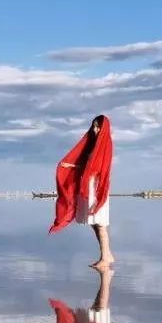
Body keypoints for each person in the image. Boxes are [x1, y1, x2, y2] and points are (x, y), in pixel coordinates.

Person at [48, 114, 115, 267]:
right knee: (94, 222)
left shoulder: (105, 145)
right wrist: (69, 166)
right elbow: (87, 165)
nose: (95, 129)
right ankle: (107, 254)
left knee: (100, 222)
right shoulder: (94, 145)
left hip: (97, 187)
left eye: (98, 126)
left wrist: (76, 168)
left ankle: (106, 257)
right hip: (90, 185)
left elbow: (97, 168)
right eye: (93, 126)